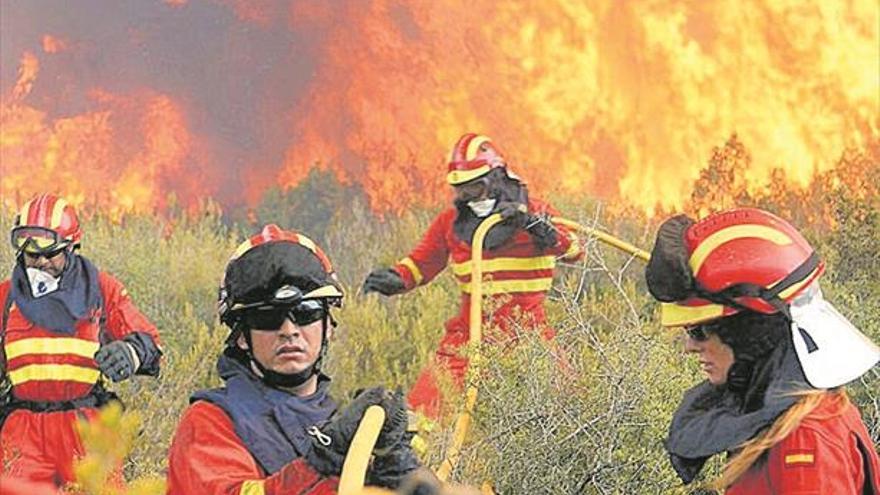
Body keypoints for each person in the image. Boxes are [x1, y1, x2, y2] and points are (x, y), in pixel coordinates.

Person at [166, 224, 422, 494]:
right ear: (242, 336)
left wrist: (398, 471)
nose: (288, 331)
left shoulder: (339, 418)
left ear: (328, 327)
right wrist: (322, 460)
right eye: (267, 317)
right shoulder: (212, 421)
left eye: (305, 312)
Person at [644, 207, 880, 493]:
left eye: (699, 331)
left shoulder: (804, 438)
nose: (690, 347)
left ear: (749, 333)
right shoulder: (777, 420)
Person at [363, 133, 583, 417]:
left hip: (529, 338)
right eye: (461, 190)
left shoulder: (537, 211)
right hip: (467, 341)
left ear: (497, 179)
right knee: (420, 417)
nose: (468, 197)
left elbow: (575, 250)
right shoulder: (451, 223)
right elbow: (423, 262)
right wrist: (396, 278)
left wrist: (535, 226)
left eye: (475, 188)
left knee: (569, 413)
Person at [0, 193, 163, 487]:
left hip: (85, 428)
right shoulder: (6, 297)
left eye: (50, 254)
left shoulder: (101, 290)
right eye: (31, 255)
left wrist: (130, 352)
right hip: (23, 431)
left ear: (71, 247)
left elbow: (150, 342)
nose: (40, 263)